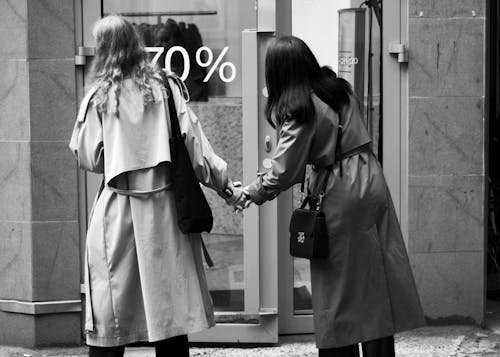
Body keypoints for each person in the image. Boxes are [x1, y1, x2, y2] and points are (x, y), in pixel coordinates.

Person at [69, 15, 245, 357]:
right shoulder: (166, 87)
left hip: (118, 212)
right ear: (135, 44)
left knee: (112, 315)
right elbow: (196, 148)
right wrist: (227, 187)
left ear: (103, 50)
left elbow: (88, 157)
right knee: (170, 314)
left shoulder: (99, 97)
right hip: (166, 213)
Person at [241, 36, 426, 357]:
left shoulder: (300, 108)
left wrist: (252, 192)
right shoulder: (337, 88)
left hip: (339, 194)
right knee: (373, 280)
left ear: (280, 72)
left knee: (336, 289)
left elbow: (283, 170)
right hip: (370, 180)